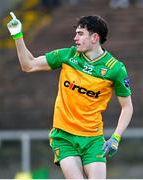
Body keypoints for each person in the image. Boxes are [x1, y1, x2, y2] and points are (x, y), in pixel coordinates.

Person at [7, 12, 133, 179]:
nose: (75, 38)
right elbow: (28, 65)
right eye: (76, 34)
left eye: (80, 34)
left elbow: (127, 106)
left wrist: (116, 137)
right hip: (63, 136)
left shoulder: (115, 68)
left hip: (93, 139)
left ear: (95, 37)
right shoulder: (68, 55)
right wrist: (17, 35)